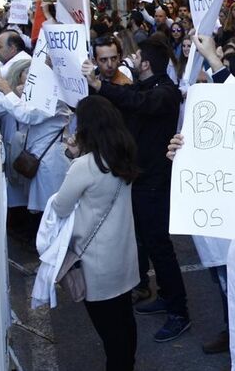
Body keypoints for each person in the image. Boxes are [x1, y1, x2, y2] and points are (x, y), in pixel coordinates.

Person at [83, 39, 190, 343]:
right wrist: (98, 84)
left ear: (145, 64)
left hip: (155, 181)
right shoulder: (144, 87)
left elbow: (137, 103)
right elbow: (127, 96)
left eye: (136, 55)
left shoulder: (165, 92)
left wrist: (103, 87)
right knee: (147, 241)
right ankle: (167, 296)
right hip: (141, 178)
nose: (130, 58)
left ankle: (179, 312)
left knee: (160, 246)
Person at [52, 96, 139, 371]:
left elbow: (60, 205)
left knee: (110, 333)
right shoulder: (124, 154)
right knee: (125, 323)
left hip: (96, 263)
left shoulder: (84, 166)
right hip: (124, 256)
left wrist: (73, 159)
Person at [0, 59, 71, 213]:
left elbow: (27, 115)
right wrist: (14, 95)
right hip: (38, 155)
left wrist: (8, 92)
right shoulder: (37, 92)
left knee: (51, 209)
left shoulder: (55, 96)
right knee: (42, 208)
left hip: (51, 159)